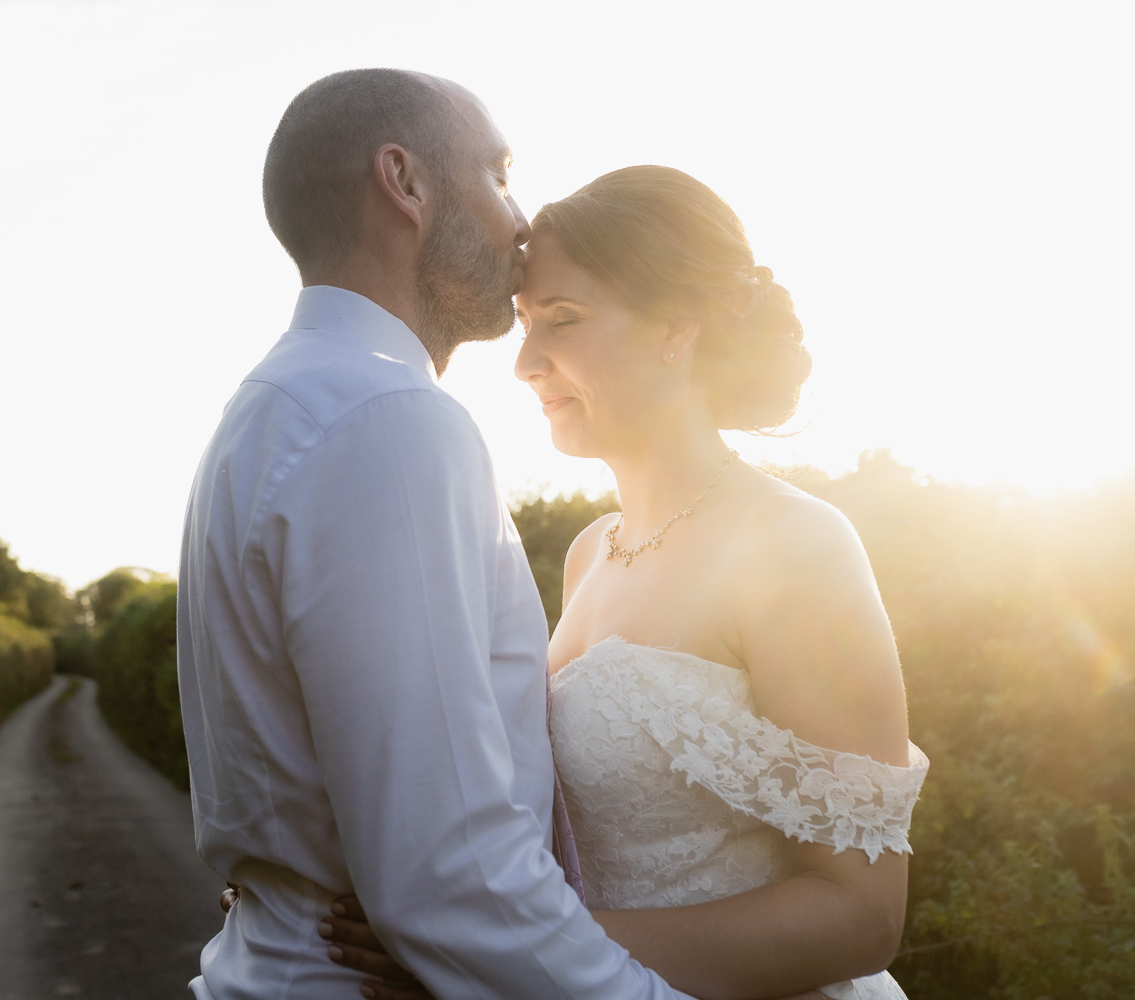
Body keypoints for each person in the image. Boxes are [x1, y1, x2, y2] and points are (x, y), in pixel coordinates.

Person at [321, 166, 931, 1000]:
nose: (526, 362)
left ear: (675, 328)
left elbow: (862, 916)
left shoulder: (795, 545)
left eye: (563, 321)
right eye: (526, 324)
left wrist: (512, 958)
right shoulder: (589, 552)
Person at [176, 71, 698, 999]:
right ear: (404, 182)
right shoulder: (388, 417)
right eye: (499, 174)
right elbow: (452, 870)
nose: (521, 218)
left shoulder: (270, 407)